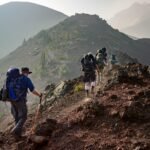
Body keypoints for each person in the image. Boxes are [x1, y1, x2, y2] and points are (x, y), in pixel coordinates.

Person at [10, 67, 42, 139]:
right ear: (26, 72)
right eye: (28, 73)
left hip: (12, 101)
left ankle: (17, 137)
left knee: (17, 118)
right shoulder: (26, 79)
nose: (28, 75)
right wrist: (39, 95)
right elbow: (32, 90)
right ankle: (14, 130)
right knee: (23, 117)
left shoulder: (14, 79)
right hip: (20, 101)